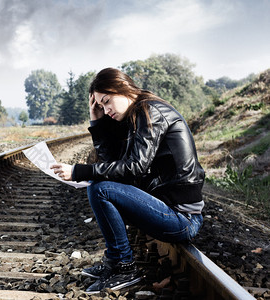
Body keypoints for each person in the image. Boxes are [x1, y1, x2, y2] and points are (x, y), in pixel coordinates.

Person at [51, 67, 205, 294]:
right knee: (99, 185)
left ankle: (124, 267)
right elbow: (112, 164)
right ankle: (115, 262)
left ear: (122, 88)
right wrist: (97, 121)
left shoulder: (151, 112)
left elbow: (134, 168)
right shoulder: (136, 115)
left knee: (100, 189)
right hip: (168, 208)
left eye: (107, 101)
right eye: (101, 106)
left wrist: (79, 171)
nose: (106, 109)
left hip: (182, 217)